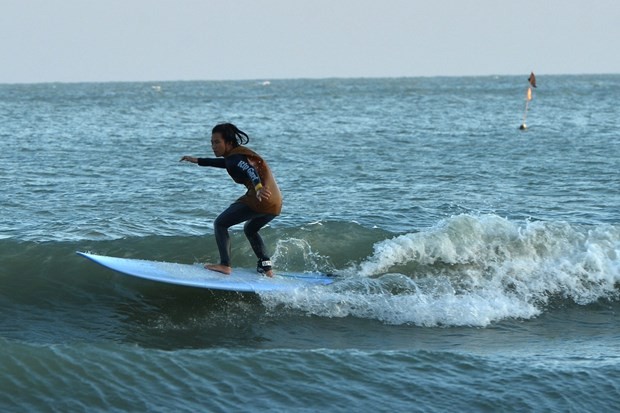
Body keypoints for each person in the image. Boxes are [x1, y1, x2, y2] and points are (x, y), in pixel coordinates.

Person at [180, 123, 282, 277]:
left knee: (220, 223)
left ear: (229, 143)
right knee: (250, 229)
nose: (213, 146)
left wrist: (259, 187)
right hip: (275, 202)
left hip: (260, 197)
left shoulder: (236, 158)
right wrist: (197, 160)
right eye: (212, 143)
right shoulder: (233, 158)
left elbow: (250, 170)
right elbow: (222, 163)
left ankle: (225, 265)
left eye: (217, 142)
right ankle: (267, 268)